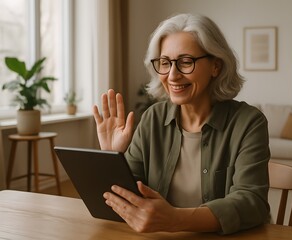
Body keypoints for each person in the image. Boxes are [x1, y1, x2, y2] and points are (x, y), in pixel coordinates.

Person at [93, 13, 270, 235]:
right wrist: (112, 158)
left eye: (186, 62)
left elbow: (251, 202)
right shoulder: (152, 119)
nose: (173, 75)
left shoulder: (248, 122)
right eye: (165, 63)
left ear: (216, 66)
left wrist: (176, 219)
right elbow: (129, 199)